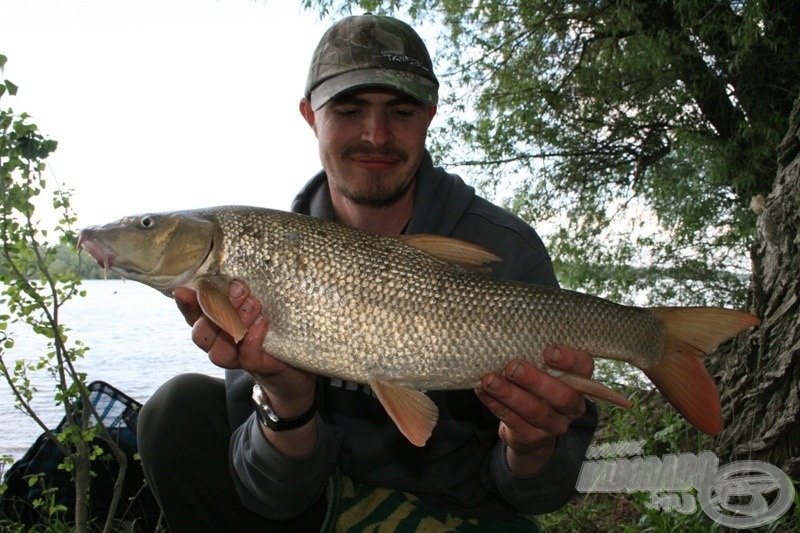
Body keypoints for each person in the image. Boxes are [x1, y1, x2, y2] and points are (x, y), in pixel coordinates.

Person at [138, 13, 598, 532]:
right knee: (177, 409)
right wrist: (288, 399)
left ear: (429, 114)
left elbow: (543, 493)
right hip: (322, 491)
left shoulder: (504, 249)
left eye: (400, 111)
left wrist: (532, 446)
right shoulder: (265, 255)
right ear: (311, 115)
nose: (376, 135)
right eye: (350, 109)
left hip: (467, 506)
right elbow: (272, 495)